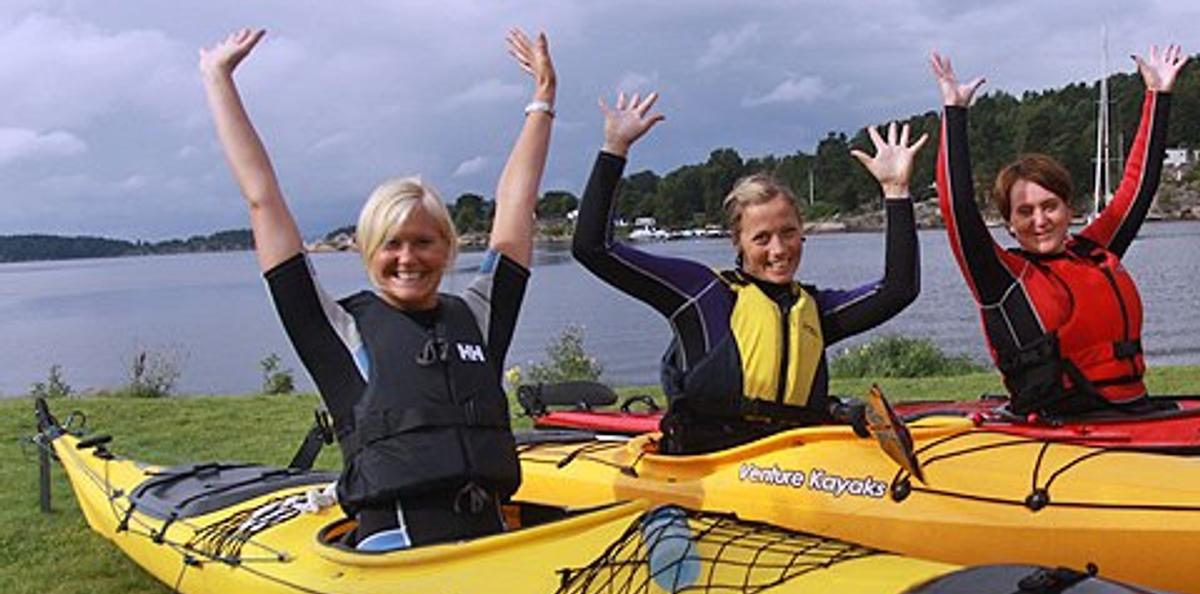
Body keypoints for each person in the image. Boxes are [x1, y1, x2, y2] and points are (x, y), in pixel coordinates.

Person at [200, 27, 556, 549]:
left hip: (491, 544)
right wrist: (218, 79)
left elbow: (516, 204)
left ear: (448, 248)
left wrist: (543, 97)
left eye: (424, 242)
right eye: (391, 244)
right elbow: (263, 201)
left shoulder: (476, 317)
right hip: (394, 557)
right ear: (368, 251)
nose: (408, 258)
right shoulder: (339, 331)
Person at [571, 92, 927, 454]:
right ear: (737, 241)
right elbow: (592, 249)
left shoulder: (814, 310)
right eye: (762, 238)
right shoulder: (700, 294)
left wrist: (896, 191)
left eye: (788, 232)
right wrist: (614, 148)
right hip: (708, 466)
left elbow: (898, 289)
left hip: (796, 466)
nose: (779, 250)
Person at [931, 45, 1188, 417]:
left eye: (1049, 206)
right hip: (1063, 427)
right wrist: (954, 113)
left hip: (1134, 413)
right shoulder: (1001, 279)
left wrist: (1158, 95)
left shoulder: (1094, 251)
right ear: (1009, 224)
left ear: (1069, 209)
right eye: (1025, 212)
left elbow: (1137, 189)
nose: (1040, 220)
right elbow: (957, 208)